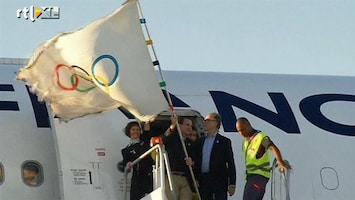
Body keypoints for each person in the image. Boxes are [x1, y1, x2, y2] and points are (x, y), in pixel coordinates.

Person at [236, 117, 291, 200]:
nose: (241, 133)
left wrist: (280, 162)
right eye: (239, 131)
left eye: (243, 130)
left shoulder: (260, 137)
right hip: (252, 177)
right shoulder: (246, 141)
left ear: (248, 125)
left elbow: (273, 148)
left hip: (258, 176)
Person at [195, 112, 236, 200]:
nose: (204, 122)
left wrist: (232, 183)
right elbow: (196, 160)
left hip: (219, 181)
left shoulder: (224, 142)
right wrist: (195, 177)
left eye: (207, 120)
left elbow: (230, 163)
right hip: (204, 181)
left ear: (216, 123)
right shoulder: (200, 141)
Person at [163, 114, 195, 200]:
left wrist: (192, 162)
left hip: (186, 179)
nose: (190, 127)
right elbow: (164, 139)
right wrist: (172, 126)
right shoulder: (172, 138)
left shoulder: (191, 144)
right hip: (172, 177)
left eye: (191, 126)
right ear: (180, 125)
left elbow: (196, 159)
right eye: (187, 125)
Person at [121, 121, 154, 200]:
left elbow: (147, 128)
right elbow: (126, 162)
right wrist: (128, 164)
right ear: (129, 131)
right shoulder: (125, 150)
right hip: (137, 179)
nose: (135, 131)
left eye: (138, 129)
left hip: (149, 176)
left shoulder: (145, 141)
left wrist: (146, 118)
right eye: (133, 129)